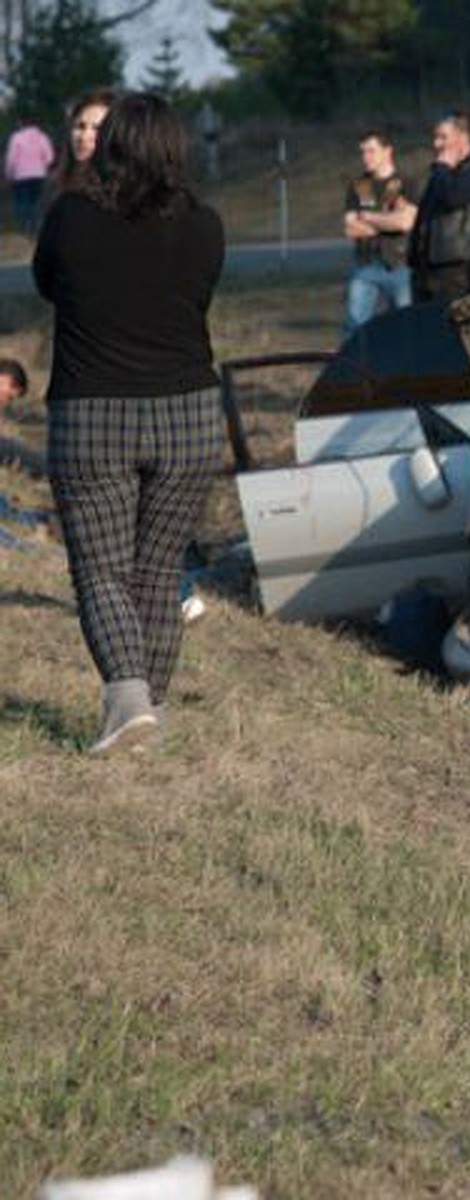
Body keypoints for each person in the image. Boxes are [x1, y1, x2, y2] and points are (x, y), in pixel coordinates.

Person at [33, 92, 225, 754]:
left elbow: (47, 284)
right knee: (157, 570)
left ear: (111, 144)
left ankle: (128, 699)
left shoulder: (70, 217)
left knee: (102, 572)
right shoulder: (206, 224)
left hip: (94, 415)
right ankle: (151, 713)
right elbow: (197, 296)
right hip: (191, 417)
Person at [409, 112, 470, 304]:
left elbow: (452, 198)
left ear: (463, 138)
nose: (436, 144)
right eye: (435, 137)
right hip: (429, 272)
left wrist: (442, 169)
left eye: (443, 137)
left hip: (459, 272)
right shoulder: (440, 177)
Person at [342, 127, 416, 334]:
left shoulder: (402, 183)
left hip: (399, 265)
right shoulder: (360, 185)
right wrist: (387, 220)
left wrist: (368, 217)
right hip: (366, 264)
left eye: (371, 151)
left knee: (406, 324)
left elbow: (405, 223)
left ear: (387, 151)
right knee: (355, 325)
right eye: (363, 152)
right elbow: (351, 229)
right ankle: (355, 366)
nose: (366, 157)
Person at [52, 89, 115, 196]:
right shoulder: (55, 186)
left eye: (97, 128)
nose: (84, 137)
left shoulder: (121, 193)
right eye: (80, 127)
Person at [5, 113, 55, 233]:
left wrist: (8, 173)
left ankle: (23, 228)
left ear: (22, 123)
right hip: (39, 175)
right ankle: (34, 227)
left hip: (20, 175)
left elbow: (11, 158)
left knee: (22, 202)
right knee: (35, 202)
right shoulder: (43, 137)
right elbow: (50, 157)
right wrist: (42, 166)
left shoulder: (16, 137)